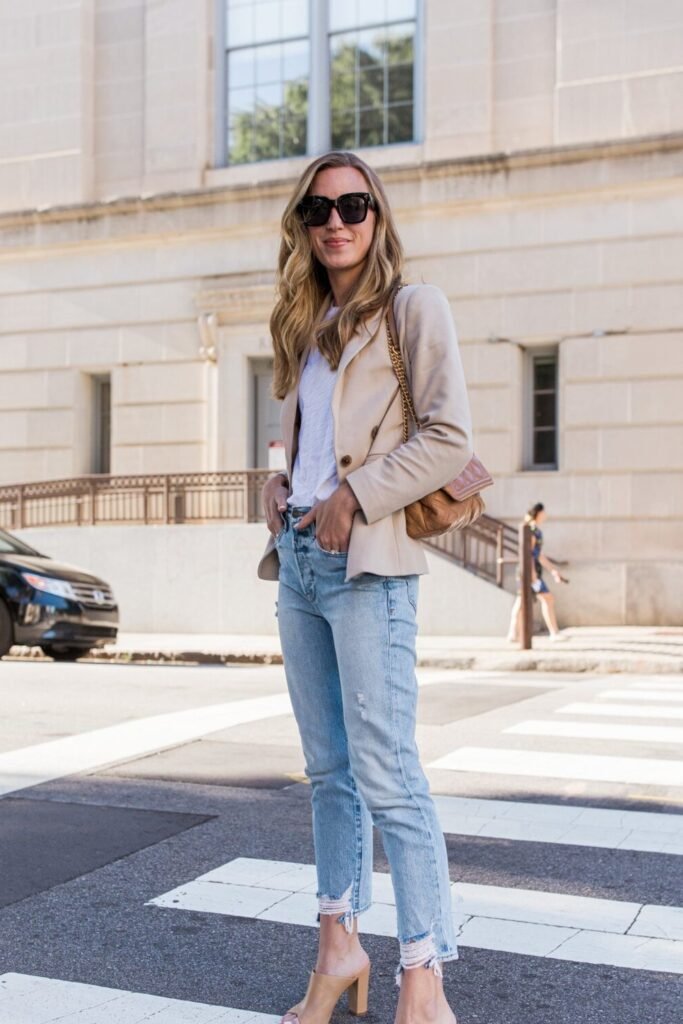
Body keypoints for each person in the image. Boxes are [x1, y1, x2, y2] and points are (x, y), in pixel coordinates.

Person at [258, 150, 473, 1024]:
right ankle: (336, 947)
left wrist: (355, 494)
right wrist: (278, 482)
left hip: (367, 565)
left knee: (388, 774)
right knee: (328, 772)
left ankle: (423, 976)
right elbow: (309, 443)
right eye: (317, 210)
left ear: (376, 217)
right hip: (301, 560)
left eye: (352, 206)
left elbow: (449, 437)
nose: (335, 222)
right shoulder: (304, 322)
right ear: (302, 226)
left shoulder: (413, 307)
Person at [506, 502, 568, 643]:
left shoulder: (535, 530)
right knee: (542, 599)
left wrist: (553, 570)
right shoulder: (532, 530)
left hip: (530, 572)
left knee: (523, 602)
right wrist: (533, 575)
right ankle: (553, 633)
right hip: (529, 572)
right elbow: (528, 554)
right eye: (543, 512)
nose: (545, 514)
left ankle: (513, 633)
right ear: (538, 513)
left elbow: (538, 554)